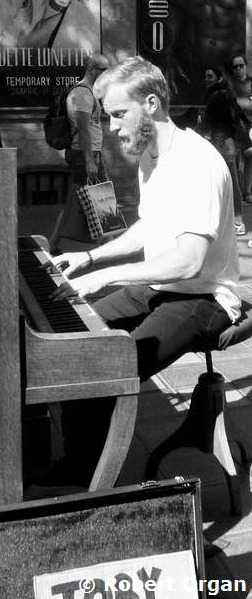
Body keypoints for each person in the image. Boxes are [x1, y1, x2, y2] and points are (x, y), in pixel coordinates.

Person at [40, 56, 241, 487]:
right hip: (158, 287)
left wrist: (106, 277)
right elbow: (149, 226)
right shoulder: (151, 154)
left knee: (110, 369)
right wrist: (90, 259)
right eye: (107, 116)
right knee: (75, 345)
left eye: (118, 114)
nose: (111, 127)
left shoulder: (197, 163)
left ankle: (94, 481)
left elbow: (189, 261)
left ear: (151, 103)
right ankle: (80, 466)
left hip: (203, 298)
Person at [48, 53, 110, 252]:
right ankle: (105, 243)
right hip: (84, 154)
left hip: (90, 153)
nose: (106, 74)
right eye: (103, 70)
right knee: (94, 198)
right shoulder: (82, 94)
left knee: (98, 196)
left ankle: (105, 241)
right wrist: (90, 160)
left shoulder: (88, 92)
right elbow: (83, 130)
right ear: (91, 69)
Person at [201, 65, 246, 235]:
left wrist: (206, 134)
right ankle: (230, 221)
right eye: (206, 76)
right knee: (224, 182)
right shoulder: (223, 94)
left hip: (222, 142)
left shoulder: (218, 96)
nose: (206, 79)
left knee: (229, 182)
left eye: (210, 76)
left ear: (219, 78)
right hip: (225, 142)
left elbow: (223, 120)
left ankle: (238, 222)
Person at [228, 54, 252, 204]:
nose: (238, 69)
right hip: (234, 127)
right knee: (234, 160)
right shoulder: (229, 85)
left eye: (240, 66)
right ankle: (234, 194)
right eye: (235, 67)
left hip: (249, 126)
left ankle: (247, 192)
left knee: (249, 158)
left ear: (245, 66)